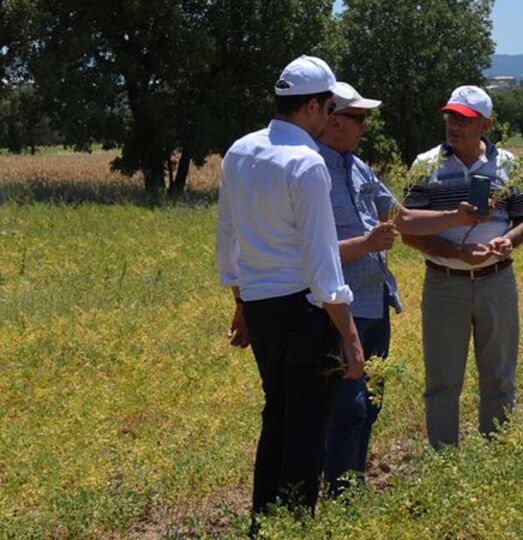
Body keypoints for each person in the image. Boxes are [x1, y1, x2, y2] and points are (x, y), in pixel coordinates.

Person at [214, 56, 364, 527]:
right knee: (305, 429)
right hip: (304, 311)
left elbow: (227, 240)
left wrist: (241, 302)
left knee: (276, 417)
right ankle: (293, 528)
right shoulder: (306, 163)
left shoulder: (239, 151)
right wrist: (350, 336)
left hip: (261, 308)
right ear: (315, 107)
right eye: (329, 108)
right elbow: (323, 262)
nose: (331, 118)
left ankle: (264, 524)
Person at [316, 82, 487, 492]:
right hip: (341, 310)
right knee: (346, 408)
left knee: (370, 405)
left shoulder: (356, 167)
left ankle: (350, 487)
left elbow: (402, 218)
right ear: (334, 121)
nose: (365, 126)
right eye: (359, 118)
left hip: (375, 305)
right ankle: (341, 494)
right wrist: (366, 244)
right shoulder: (311, 170)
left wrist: (455, 217)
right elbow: (307, 253)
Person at [402, 85, 523, 449]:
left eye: (464, 119)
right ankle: (445, 459)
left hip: (497, 281)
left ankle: (496, 454)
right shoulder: (425, 165)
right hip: (445, 284)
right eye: (450, 117)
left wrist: (510, 241)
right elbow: (408, 232)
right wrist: (456, 253)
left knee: (500, 375)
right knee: (442, 380)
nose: (453, 125)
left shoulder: (508, 164)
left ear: (485, 125)